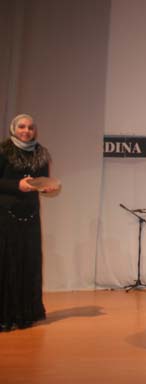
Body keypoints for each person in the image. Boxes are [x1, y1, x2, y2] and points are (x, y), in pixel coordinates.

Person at [0, 114, 58, 332]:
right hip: (6, 216)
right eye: (22, 127)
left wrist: (46, 188)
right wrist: (17, 185)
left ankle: (26, 314)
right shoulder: (4, 151)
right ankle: (5, 315)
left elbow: (41, 181)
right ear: (13, 129)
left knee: (28, 262)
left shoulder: (40, 153)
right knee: (7, 263)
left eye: (30, 127)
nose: (26, 131)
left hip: (30, 215)